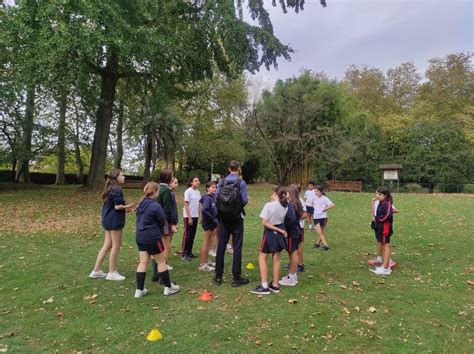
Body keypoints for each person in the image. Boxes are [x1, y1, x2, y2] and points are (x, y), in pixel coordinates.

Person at [134, 182, 180, 297]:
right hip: (152, 237)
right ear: (154, 191)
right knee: (161, 262)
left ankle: (139, 290)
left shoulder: (141, 204)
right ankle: (168, 287)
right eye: (158, 191)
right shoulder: (155, 206)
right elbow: (162, 220)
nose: (159, 193)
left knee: (143, 262)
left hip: (140, 236)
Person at [89, 168, 133, 281]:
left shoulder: (109, 188)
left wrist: (125, 208)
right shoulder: (117, 189)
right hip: (114, 221)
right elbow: (117, 206)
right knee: (115, 246)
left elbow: (115, 205)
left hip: (107, 220)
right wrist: (126, 207)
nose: (124, 177)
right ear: (116, 177)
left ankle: (96, 271)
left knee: (107, 245)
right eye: (122, 175)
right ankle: (112, 272)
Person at [214, 160, 249, 287]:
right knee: (237, 247)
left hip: (223, 219)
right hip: (236, 218)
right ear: (238, 168)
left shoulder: (221, 182)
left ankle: (218, 276)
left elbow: (216, 198)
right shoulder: (241, 182)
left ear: (229, 168)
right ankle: (236, 277)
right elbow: (244, 200)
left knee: (221, 247)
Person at [250, 186, 289, 295]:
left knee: (262, 257)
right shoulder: (285, 206)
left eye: (272, 194)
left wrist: (277, 229)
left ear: (276, 195)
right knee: (276, 258)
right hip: (281, 233)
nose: (271, 196)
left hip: (270, 233)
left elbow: (265, 222)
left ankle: (264, 286)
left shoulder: (269, 205)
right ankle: (275, 284)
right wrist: (280, 230)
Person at [151, 169, 178, 282]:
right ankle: (162, 275)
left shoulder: (158, 188)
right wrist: (171, 224)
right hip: (164, 222)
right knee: (166, 248)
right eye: (172, 176)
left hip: (156, 221)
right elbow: (167, 209)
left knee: (158, 248)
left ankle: (155, 274)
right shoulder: (166, 190)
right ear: (168, 178)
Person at [279, 185, 303, 287]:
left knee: (293, 253)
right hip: (296, 231)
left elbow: (291, 220)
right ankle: (292, 275)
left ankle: (292, 278)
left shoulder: (291, 205)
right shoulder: (296, 203)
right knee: (292, 252)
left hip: (292, 232)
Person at [370, 186, 395, 276]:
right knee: (382, 243)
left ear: (385, 195)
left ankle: (386, 268)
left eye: (380, 194)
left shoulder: (387, 203)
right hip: (380, 227)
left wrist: (378, 220)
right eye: (377, 193)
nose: (377, 196)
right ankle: (384, 266)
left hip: (385, 227)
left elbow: (388, 215)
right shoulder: (381, 202)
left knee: (386, 246)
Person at [198, 181, 218, 271]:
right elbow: (205, 210)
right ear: (207, 188)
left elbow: (200, 204)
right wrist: (213, 219)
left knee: (209, 242)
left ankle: (206, 261)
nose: (215, 189)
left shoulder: (211, 197)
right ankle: (202, 264)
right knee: (206, 242)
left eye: (215, 187)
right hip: (208, 223)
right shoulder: (207, 198)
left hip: (212, 222)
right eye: (213, 187)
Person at [181, 176, 201, 261]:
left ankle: (189, 252)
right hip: (188, 216)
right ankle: (184, 253)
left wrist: (200, 216)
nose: (197, 182)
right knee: (187, 235)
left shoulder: (198, 192)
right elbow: (186, 204)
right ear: (191, 182)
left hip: (195, 216)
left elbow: (199, 205)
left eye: (198, 181)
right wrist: (189, 217)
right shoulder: (188, 191)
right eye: (195, 181)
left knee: (192, 235)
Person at [312, 185, 335, 251]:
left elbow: (332, 205)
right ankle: (325, 245)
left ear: (321, 191)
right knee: (319, 231)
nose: (316, 193)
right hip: (316, 217)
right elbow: (313, 204)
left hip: (323, 217)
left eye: (317, 191)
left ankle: (317, 244)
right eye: (315, 191)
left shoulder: (325, 198)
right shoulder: (314, 198)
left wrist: (325, 209)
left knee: (321, 232)